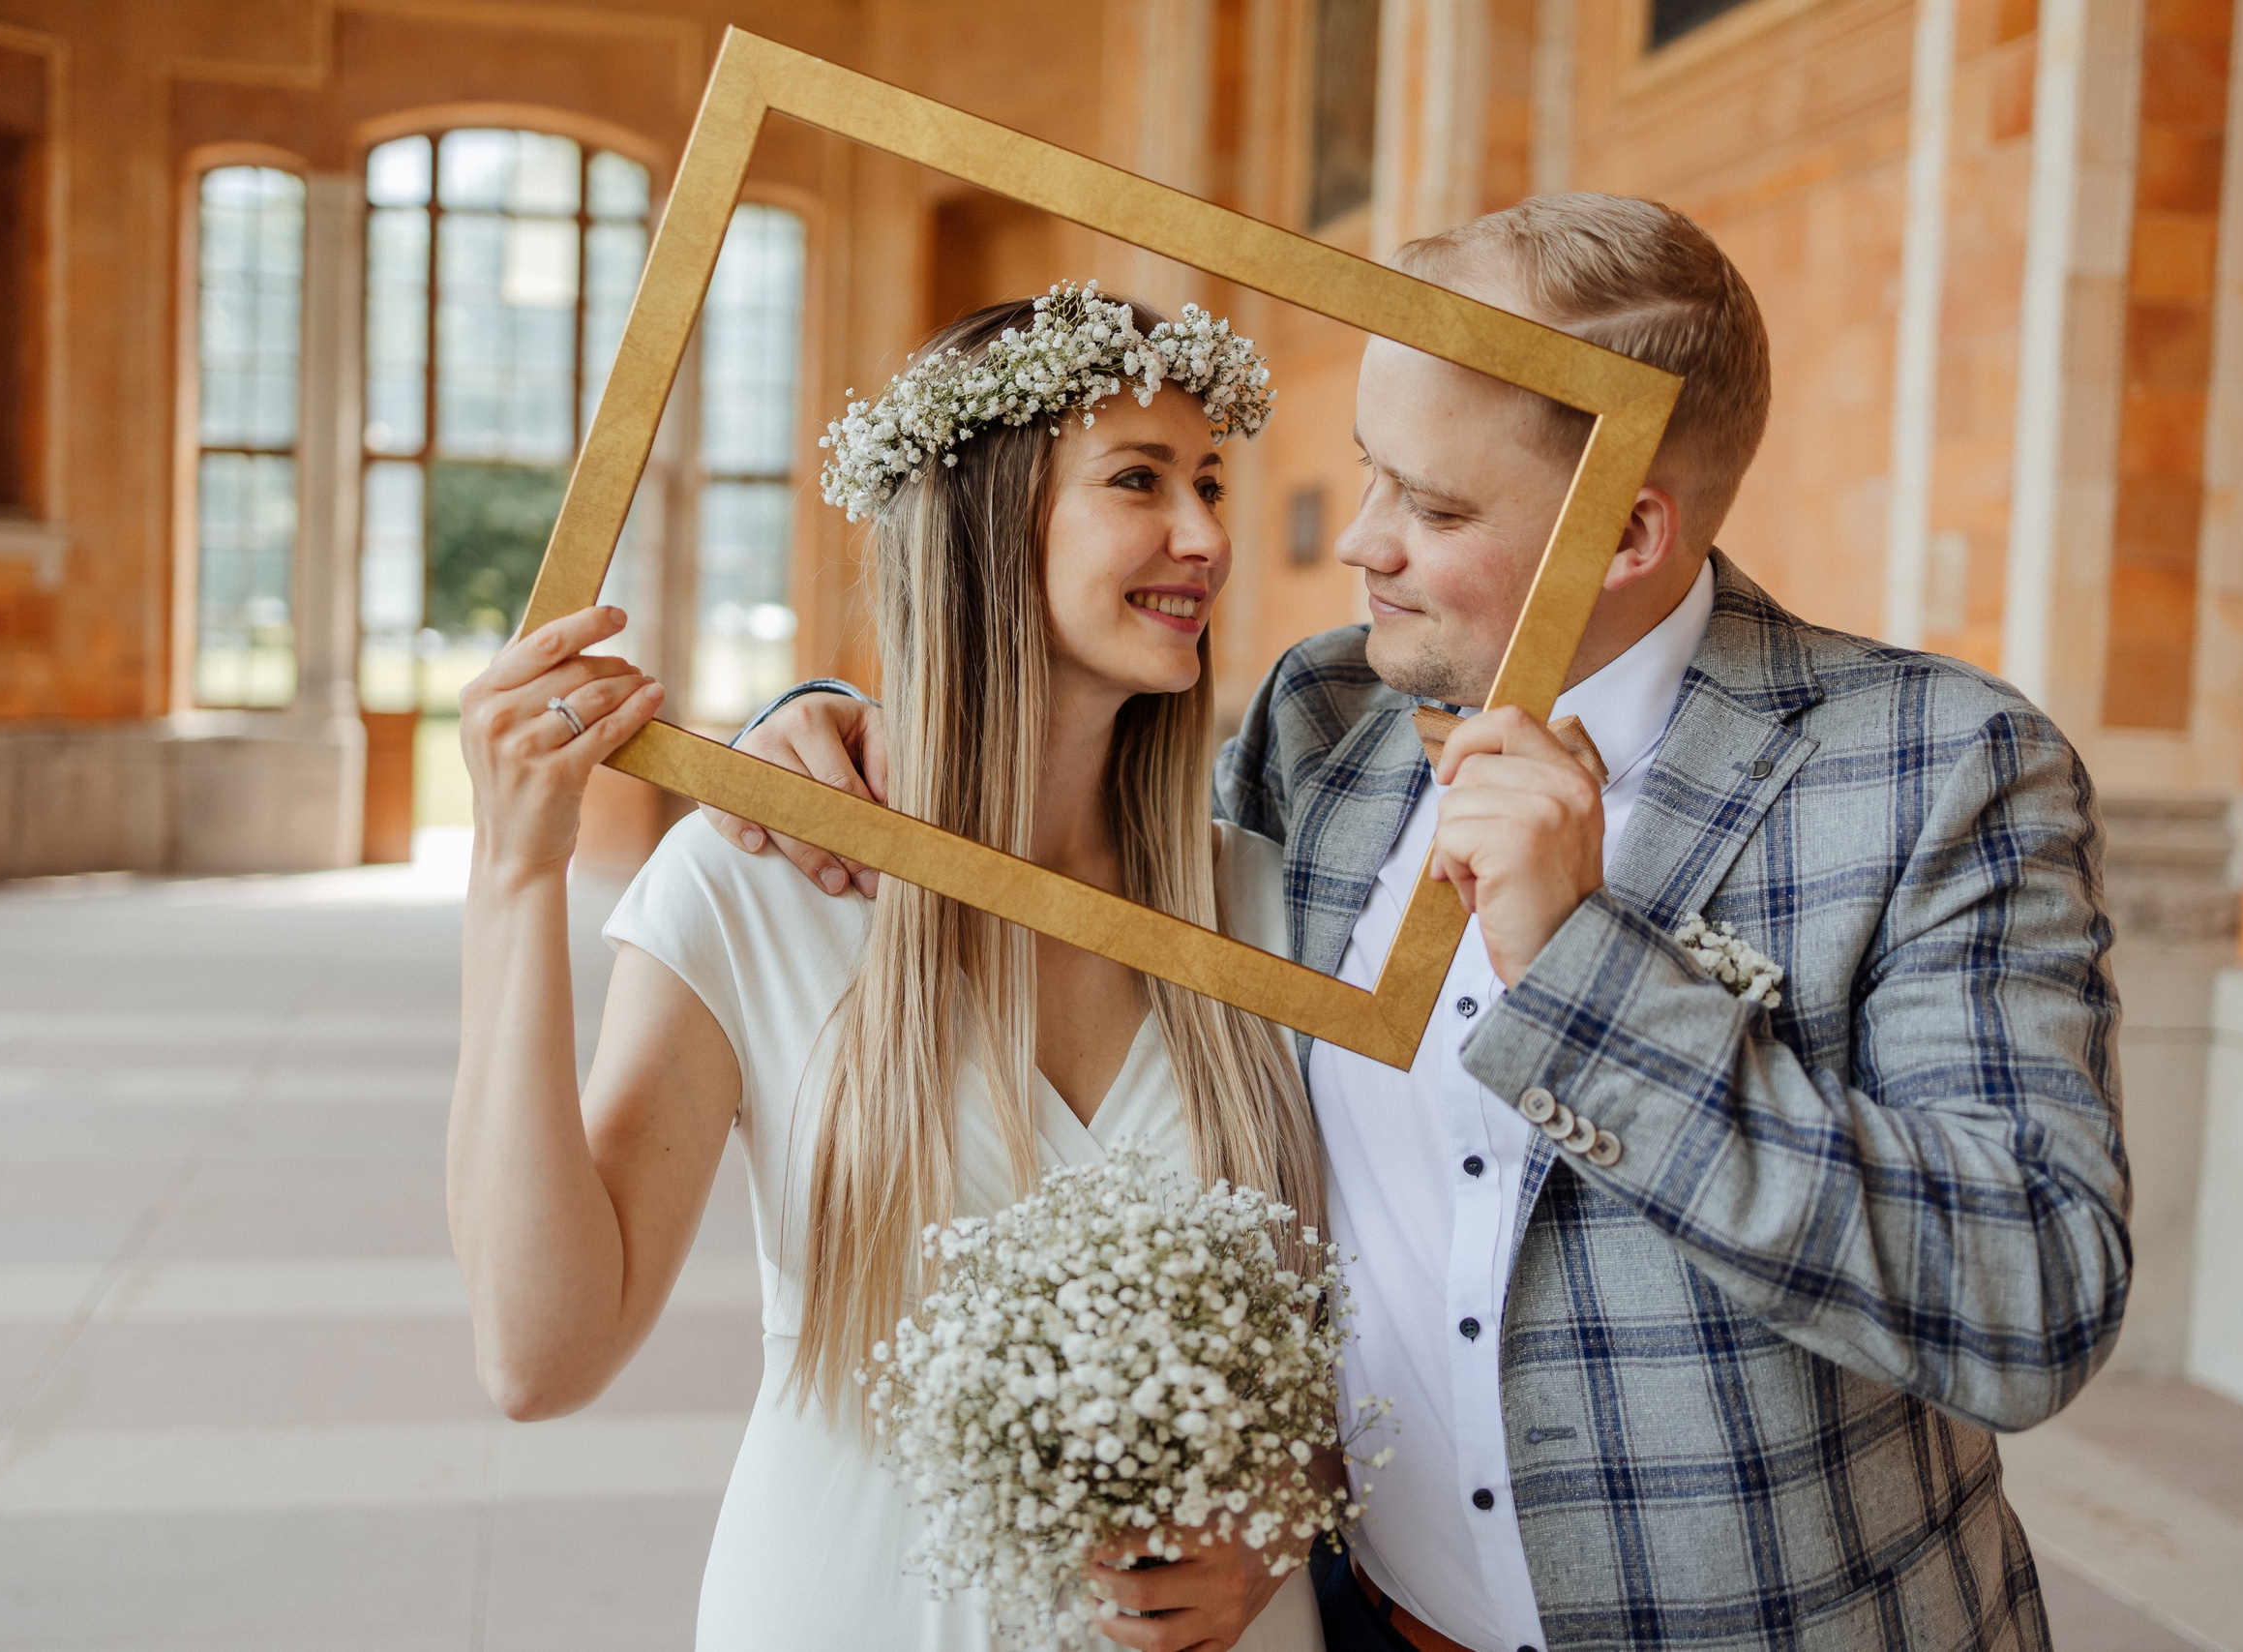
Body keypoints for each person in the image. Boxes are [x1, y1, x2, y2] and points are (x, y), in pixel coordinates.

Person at [719, 196, 2129, 1652]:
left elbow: (2033, 1300)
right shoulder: (1326, 718)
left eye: (1438, 509)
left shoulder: (1932, 768)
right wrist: (823, 738)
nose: (1365, 545)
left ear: (1629, 529)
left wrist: (1586, 974)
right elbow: (1063, 827)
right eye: (1371, 475)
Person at [447, 285, 1337, 1651]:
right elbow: (539, 1353)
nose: (1208, 536)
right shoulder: (756, 887)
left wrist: (1276, 1535)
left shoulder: (1270, 910)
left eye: (1212, 480)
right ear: (984, 524)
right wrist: (513, 881)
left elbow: (1390, 1347)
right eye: (1140, 480)